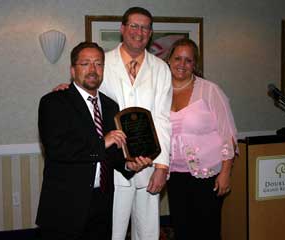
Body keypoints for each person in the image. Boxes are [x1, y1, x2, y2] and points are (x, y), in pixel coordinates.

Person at [53, 7, 172, 240]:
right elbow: (85, 88)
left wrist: (162, 167)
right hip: (114, 164)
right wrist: (67, 90)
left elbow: (163, 119)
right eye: (134, 26)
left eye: (145, 27)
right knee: (112, 232)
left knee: (148, 232)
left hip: (149, 161)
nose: (139, 32)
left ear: (151, 33)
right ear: (123, 29)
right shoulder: (103, 63)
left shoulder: (160, 68)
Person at [36, 41, 152, 240]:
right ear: (73, 70)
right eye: (85, 63)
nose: (93, 69)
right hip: (66, 206)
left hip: (103, 203)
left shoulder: (110, 106)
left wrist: (129, 165)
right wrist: (103, 142)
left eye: (98, 64)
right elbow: (58, 149)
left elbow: (113, 154)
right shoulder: (53, 102)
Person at [166, 38, 238, 240]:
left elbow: (229, 135)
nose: (182, 64)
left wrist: (225, 172)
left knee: (207, 230)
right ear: (169, 60)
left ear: (194, 64)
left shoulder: (210, 90)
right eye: (178, 58)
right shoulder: (159, 92)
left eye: (188, 60)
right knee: (182, 229)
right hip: (175, 175)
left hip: (208, 175)